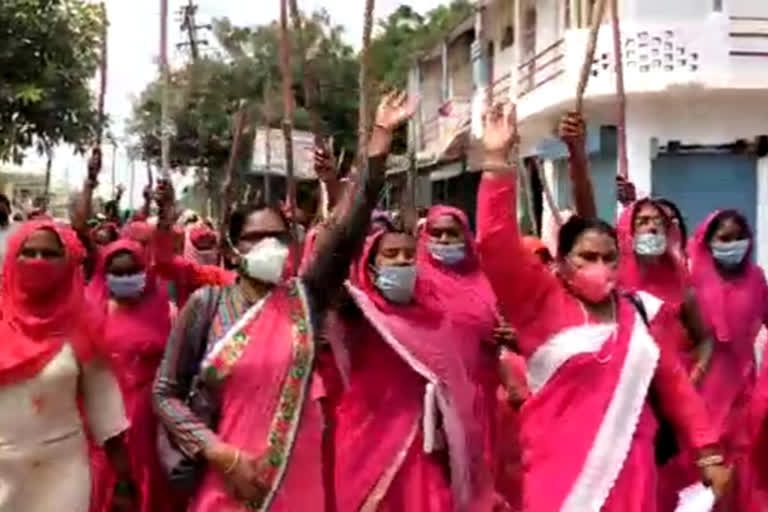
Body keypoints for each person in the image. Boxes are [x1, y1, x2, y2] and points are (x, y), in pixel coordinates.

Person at [152, 90, 414, 512]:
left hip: (298, 475)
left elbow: (347, 232)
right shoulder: (207, 305)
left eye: (278, 237)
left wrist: (378, 146)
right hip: (227, 477)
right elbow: (166, 393)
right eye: (256, 238)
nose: (270, 246)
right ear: (233, 248)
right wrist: (220, 453)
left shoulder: (305, 299)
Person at [474, 102, 729, 512]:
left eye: (610, 258)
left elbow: (675, 387)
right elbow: (494, 244)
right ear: (560, 262)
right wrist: (495, 162)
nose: (601, 267)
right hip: (563, 477)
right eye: (587, 258)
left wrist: (708, 452)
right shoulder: (539, 302)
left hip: (633, 475)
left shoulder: (635, 313)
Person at [332, 217, 495, 511]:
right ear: (371, 264)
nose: (402, 261)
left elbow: (456, 384)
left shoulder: (435, 319)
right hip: (367, 436)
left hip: (424, 441)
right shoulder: (356, 313)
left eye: (409, 255)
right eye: (391, 255)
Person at [0, 220, 133, 512]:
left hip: (63, 472)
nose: (38, 262)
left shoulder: (82, 323)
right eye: (29, 253)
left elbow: (105, 406)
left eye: (49, 254)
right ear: (12, 257)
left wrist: (124, 483)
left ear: (66, 262)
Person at [88, 238, 182, 512]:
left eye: (132, 271)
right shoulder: (92, 311)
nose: (126, 278)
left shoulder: (167, 310)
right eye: (118, 273)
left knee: (151, 487)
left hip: (150, 420)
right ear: (105, 275)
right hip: (106, 419)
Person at [684, 210, 768, 511]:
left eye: (739, 237)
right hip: (702, 389)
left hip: (745, 391)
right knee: (698, 479)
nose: (733, 244)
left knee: (742, 475)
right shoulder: (690, 280)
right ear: (708, 242)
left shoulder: (756, 279)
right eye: (724, 238)